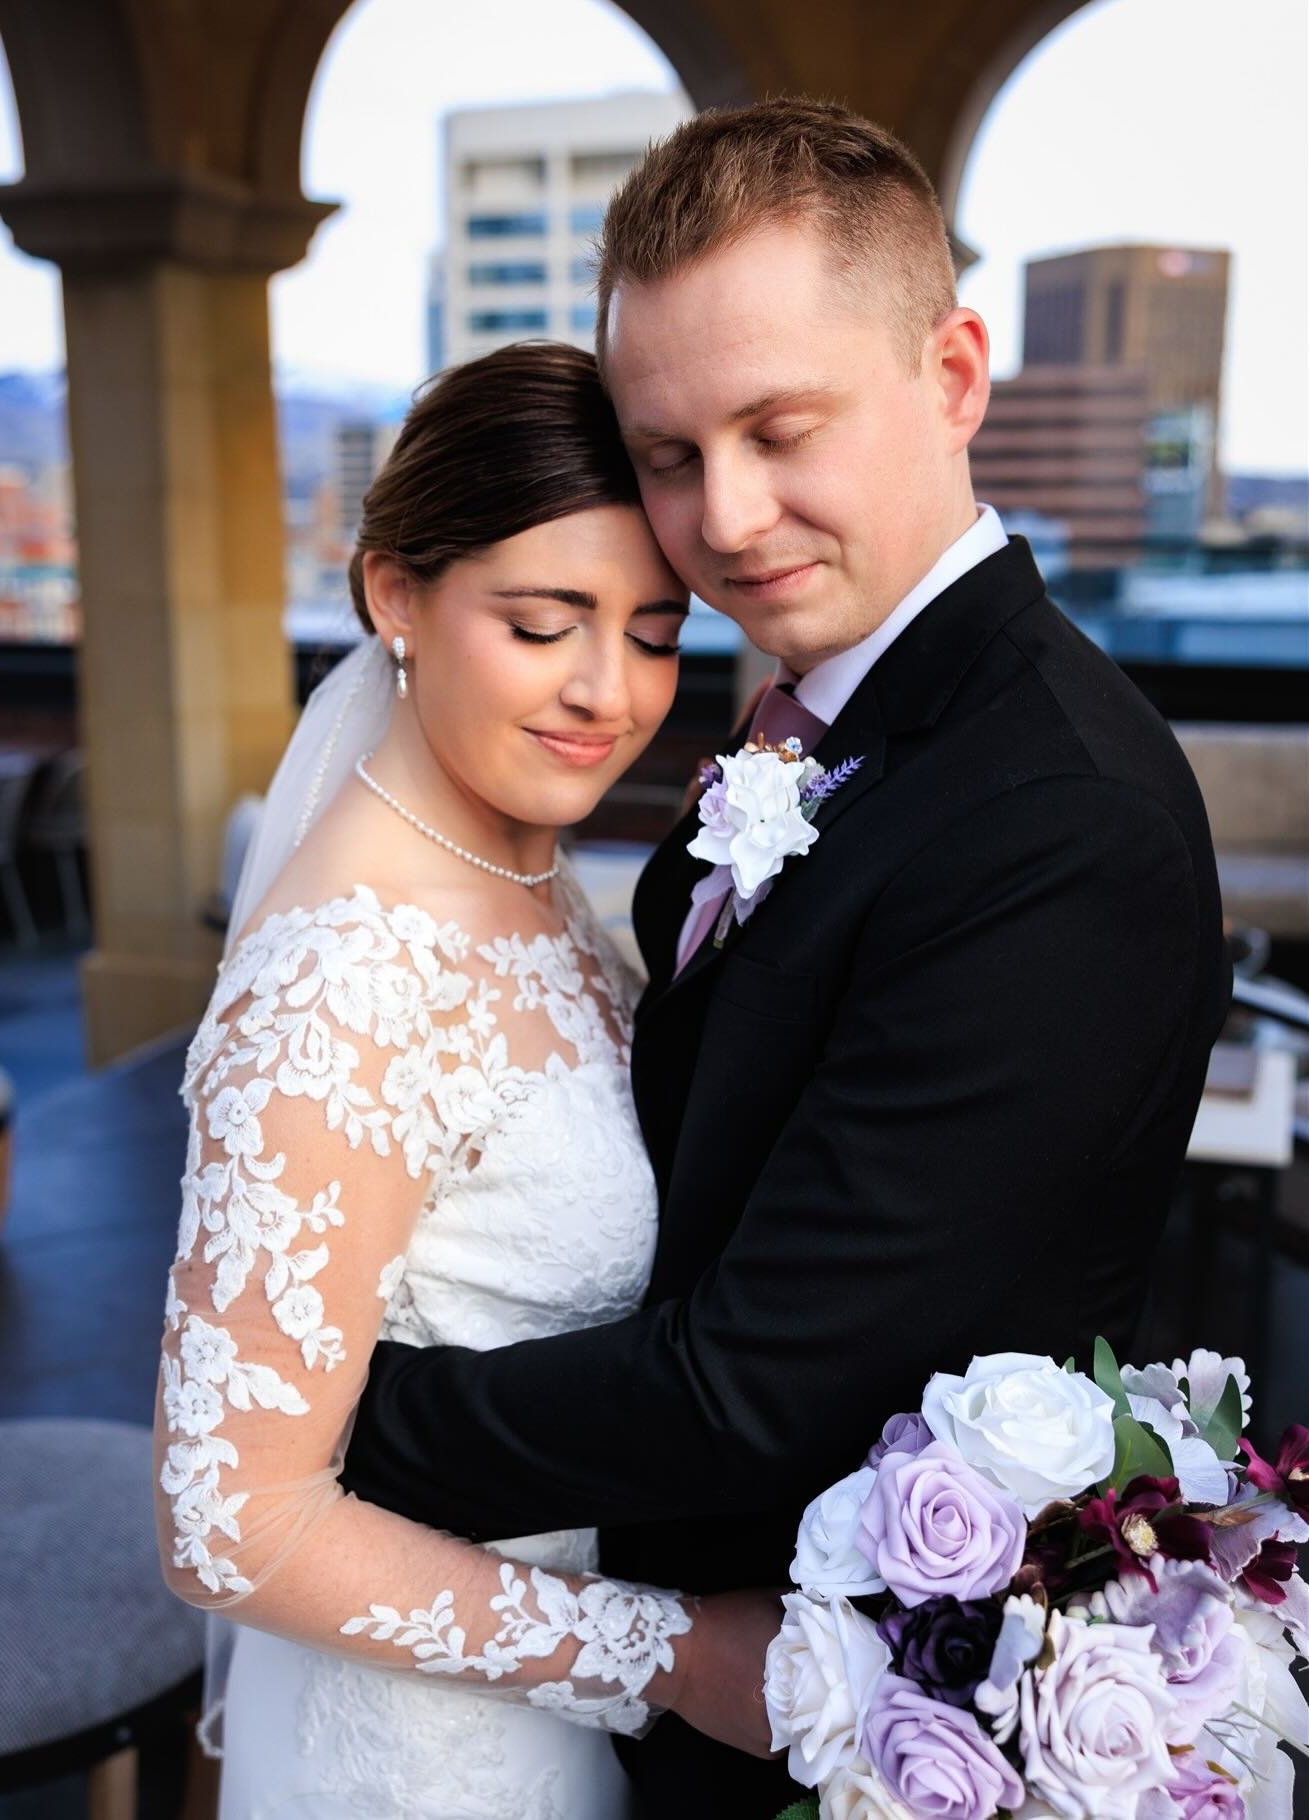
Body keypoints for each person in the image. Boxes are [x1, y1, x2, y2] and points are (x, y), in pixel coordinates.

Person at [338, 99, 1231, 1815]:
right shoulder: (817, 722)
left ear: (955, 374)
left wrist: (318, 1417)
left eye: (778, 427)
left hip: (840, 1702)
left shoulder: (1060, 818)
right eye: (667, 454)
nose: (723, 520)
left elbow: (759, 1384)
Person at [154, 341, 754, 1817]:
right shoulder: (343, 979)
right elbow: (228, 1520)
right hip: (419, 1754)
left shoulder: (524, 864)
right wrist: (671, 1658)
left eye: (654, 630)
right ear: (392, 595)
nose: (609, 694)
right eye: (545, 622)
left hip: (541, 1697)